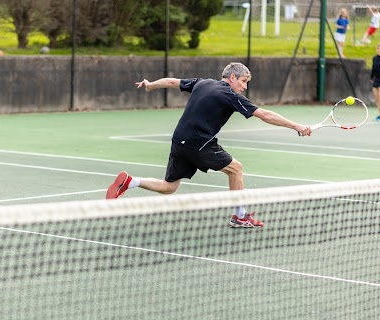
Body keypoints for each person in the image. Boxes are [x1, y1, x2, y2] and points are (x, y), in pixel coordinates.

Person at [105, 62, 312, 228]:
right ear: (232, 77)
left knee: (169, 187)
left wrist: (150, 85)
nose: (244, 87)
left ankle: (131, 181)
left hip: (179, 140)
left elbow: (170, 81)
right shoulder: (230, 95)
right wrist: (297, 126)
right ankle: (240, 216)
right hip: (200, 143)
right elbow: (265, 115)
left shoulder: (202, 83)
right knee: (236, 169)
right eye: (243, 81)